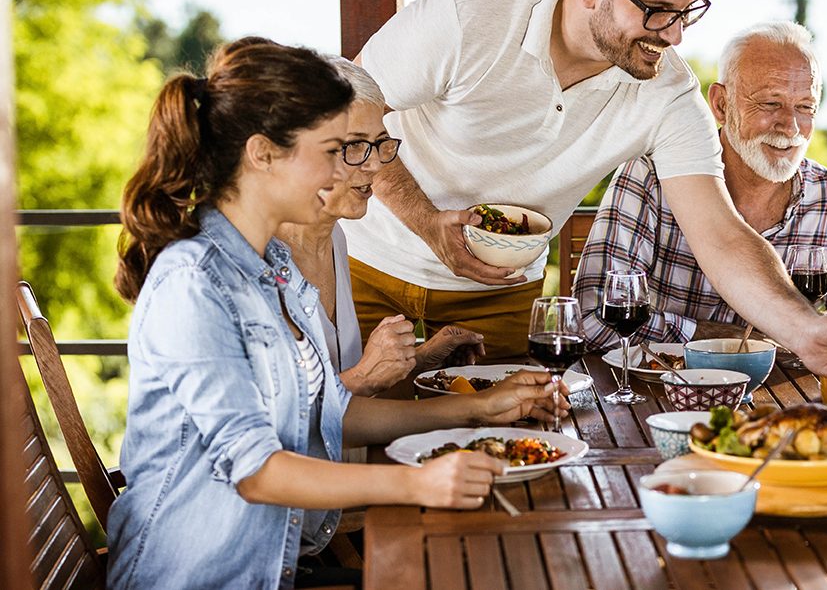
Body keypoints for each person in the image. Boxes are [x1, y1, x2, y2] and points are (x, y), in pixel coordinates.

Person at [343, 0, 827, 382]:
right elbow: (349, 111)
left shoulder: (669, 93)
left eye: (687, 12)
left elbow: (722, 236)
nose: (674, 35)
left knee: (494, 453)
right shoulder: (469, 13)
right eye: (656, 12)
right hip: (365, 263)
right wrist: (425, 222)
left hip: (499, 290)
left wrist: (805, 332)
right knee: (346, 437)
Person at [107, 38, 566, 590]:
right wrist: (417, 486)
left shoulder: (271, 263)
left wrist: (478, 411)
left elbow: (329, 410)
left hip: (276, 567)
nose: (345, 171)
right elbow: (256, 472)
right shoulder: (195, 283)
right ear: (263, 154)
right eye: (333, 151)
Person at [574, 21, 827, 349]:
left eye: (805, 107)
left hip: (787, 398)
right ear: (720, 104)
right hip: (663, 392)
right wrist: (723, 339)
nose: (790, 127)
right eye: (770, 103)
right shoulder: (649, 177)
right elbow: (593, 318)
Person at [277, 58, 483, 401]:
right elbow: (277, 423)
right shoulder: (252, 262)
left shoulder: (334, 239)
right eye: (355, 145)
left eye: (380, 143)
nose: (375, 165)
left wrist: (419, 361)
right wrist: (364, 377)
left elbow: (335, 380)